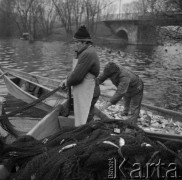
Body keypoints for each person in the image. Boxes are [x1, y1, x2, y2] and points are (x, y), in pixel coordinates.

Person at [61, 25, 100, 126]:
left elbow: (77, 77)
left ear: (85, 42)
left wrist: (67, 82)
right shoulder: (85, 52)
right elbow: (76, 71)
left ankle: (83, 133)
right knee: (86, 115)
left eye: (77, 42)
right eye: (75, 42)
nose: (75, 45)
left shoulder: (87, 54)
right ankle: (87, 130)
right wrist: (67, 79)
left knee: (84, 116)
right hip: (86, 89)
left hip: (88, 90)